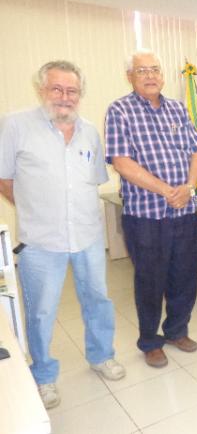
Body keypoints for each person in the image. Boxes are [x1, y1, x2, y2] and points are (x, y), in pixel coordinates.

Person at [0, 60, 125, 409]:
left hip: (86, 235)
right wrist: (36, 210)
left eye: (71, 90)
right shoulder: (15, 125)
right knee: (40, 311)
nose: (64, 97)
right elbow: (5, 178)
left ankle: (101, 356)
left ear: (80, 94)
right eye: (56, 89)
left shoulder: (88, 131)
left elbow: (94, 180)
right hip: (41, 241)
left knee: (98, 301)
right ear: (42, 89)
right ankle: (43, 375)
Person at [105, 50, 197, 368]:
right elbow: (122, 162)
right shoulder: (119, 110)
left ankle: (177, 330)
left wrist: (188, 187)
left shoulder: (177, 108)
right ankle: (150, 341)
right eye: (142, 70)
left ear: (162, 75)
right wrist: (166, 190)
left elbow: (195, 152)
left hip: (184, 211)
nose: (150, 75)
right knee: (150, 280)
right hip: (146, 215)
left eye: (155, 69)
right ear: (129, 76)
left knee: (185, 276)